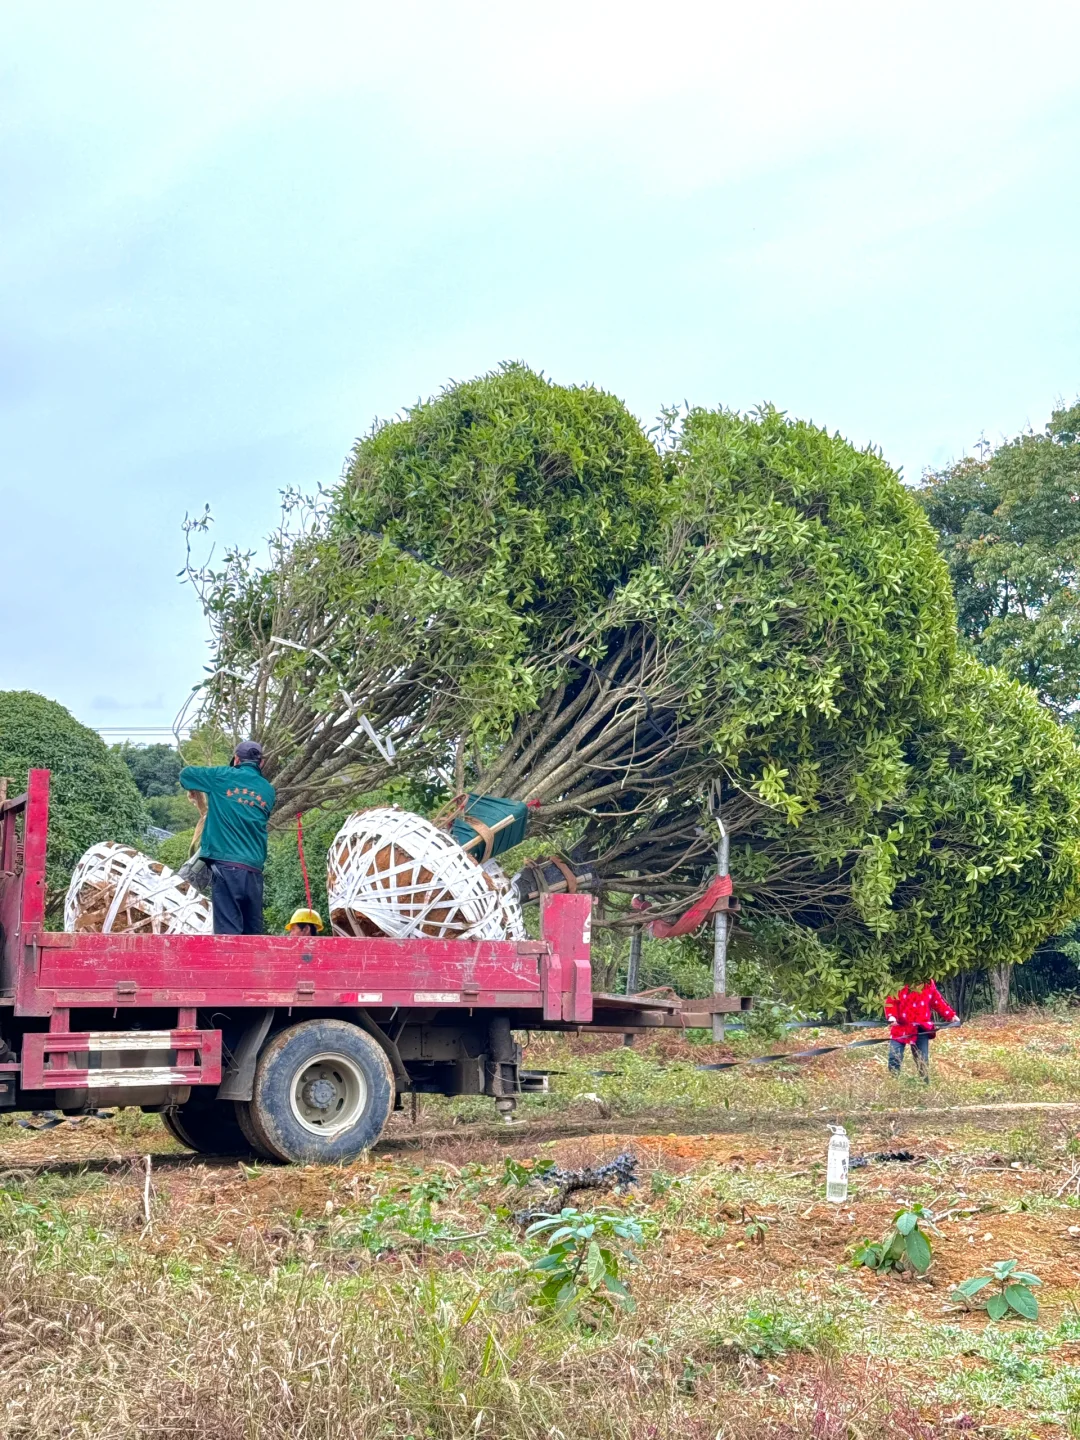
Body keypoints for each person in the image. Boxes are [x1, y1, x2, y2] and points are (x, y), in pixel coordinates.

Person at [178, 740, 275, 936]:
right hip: (254, 871)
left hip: (226, 868)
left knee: (228, 936)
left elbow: (186, 775)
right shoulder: (268, 791)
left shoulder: (222, 776)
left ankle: (229, 966)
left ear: (237, 759)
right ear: (261, 763)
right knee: (252, 936)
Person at [884, 979, 957, 1082]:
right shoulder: (899, 980)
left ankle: (925, 1086)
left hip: (921, 1028)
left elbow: (937, 1001)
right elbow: (891, 1001)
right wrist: (891, 1016)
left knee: (922, 1060)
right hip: (900, 1028)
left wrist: (951, 1016)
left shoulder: (928, 983)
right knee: (894, 1058)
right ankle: (894, 1084)